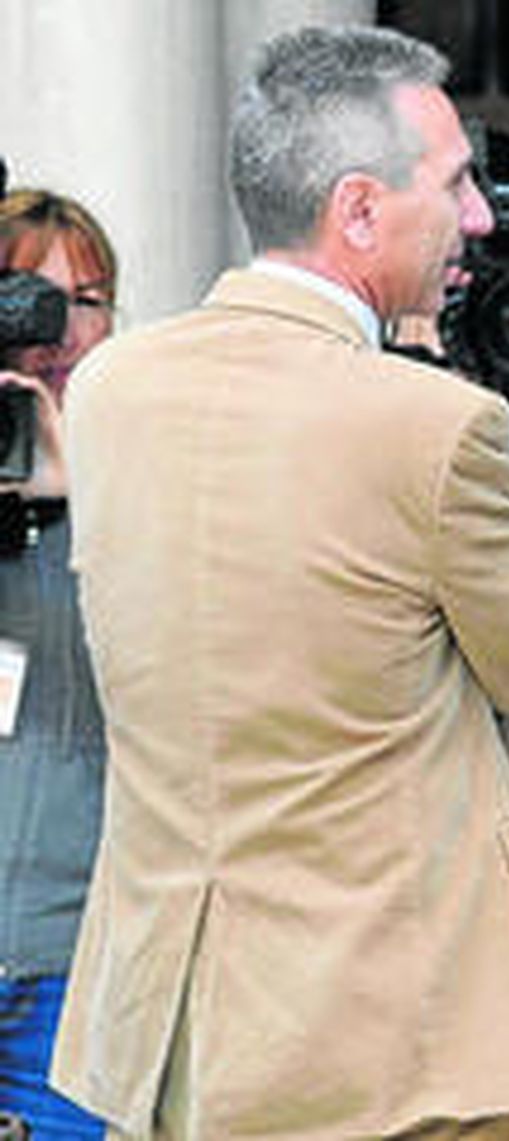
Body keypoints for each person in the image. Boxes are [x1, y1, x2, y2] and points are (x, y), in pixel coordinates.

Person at [51, 25, 509, 1140]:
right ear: (359, 211)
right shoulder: (433, 422)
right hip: (406, 1052)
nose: (482, 217)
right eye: (456, 183)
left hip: (181, 1043)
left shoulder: (110, 392)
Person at [0, 186, 117, 1140]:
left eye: (87, 300)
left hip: (72, 961)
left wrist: (73, 498)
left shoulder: (146, 477)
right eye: (30, 299)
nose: (61, 330)